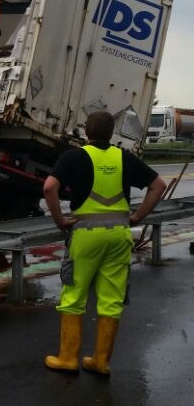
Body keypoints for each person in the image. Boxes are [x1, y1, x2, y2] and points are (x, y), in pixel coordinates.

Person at [43, 110, 166, 376]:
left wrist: (60, 220)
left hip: (85, 235)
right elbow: (158, 185)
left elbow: (49, 187)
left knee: (74, 295)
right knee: (111, 299)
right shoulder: (124, 157)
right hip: (119, 235)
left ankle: (68, 358)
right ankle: (101, 362)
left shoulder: (74, 156)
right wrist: (137, 217)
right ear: (111, 133)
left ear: (86, 131)